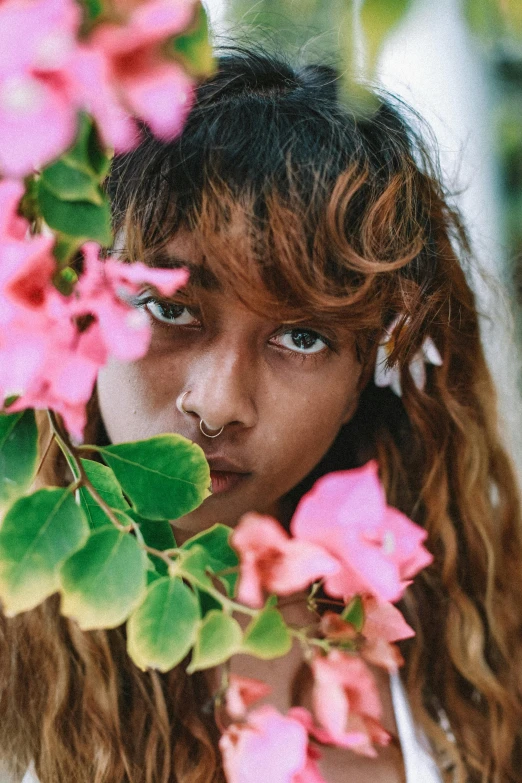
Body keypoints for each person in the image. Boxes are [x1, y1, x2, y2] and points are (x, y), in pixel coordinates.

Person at [1, 45, 521, 783]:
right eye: (169, 307)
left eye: (301, 336)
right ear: (83, 301)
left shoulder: (476, 655)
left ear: (362, 377)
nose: (216, 405)